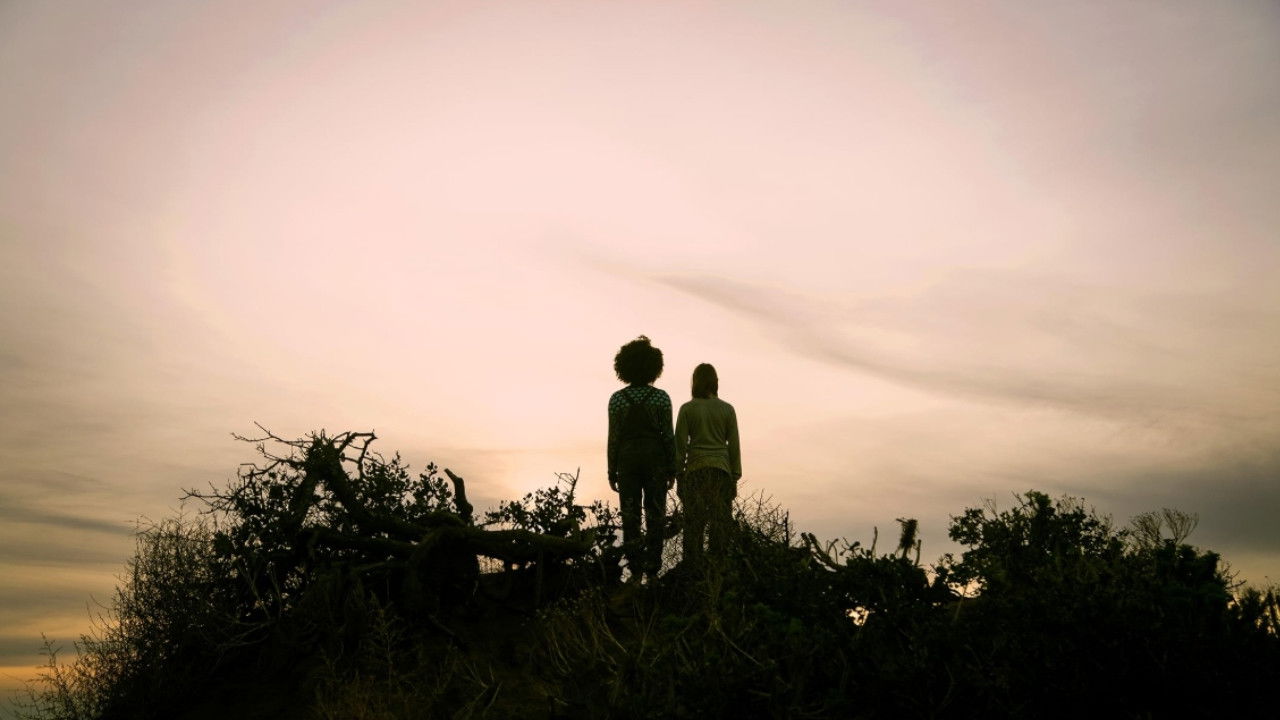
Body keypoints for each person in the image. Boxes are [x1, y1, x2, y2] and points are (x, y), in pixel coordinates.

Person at [607, 336, 676, 579]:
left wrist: (611, 470)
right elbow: (668, 436)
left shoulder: (617, 400)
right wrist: (672, 468)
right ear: (654, 367)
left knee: (630, 516)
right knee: (655, 515)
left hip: (626, 460)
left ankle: (635, 571)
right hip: (655, 458)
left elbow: (613, 437)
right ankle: (653, 570)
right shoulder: (661, 398)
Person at [674, 363, 741, 570]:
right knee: (720, 525)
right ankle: (717, 569)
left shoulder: (687, 408)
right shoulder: (727, 409)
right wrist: (735, 474)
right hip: (721, 471)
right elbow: (734, 444)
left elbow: (680, 445)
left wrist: (678, 474)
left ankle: (692, 568)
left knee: (694, 525)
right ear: (716, 382)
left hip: (696, 471)